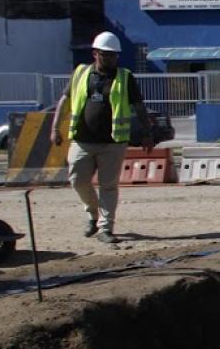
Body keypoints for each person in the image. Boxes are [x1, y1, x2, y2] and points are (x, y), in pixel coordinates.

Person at [50, 31, 152, 244]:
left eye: (114, 55)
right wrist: (55, 128)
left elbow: (139, 106)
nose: (112, 59)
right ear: (96, 54)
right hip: (82, 139)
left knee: (108, 186)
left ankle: (105, 228)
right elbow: (64, 101)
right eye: (107, 55)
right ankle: (92, 213)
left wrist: (147, 132)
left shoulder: (125, 77)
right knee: (77, 180)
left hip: (112, 143)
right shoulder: (80, 73)